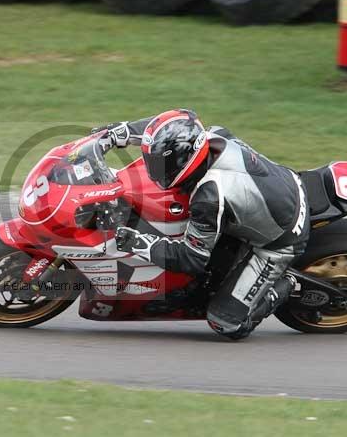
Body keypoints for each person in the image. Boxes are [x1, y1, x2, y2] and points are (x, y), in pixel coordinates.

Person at [94, 108, 309, 340]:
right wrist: (121, 132)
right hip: (285, 184)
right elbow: (174, 124)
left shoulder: (208, 197)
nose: (152, 170)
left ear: (184, 159)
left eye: (159, 164)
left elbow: (191, 258)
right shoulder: (212, 135)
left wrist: (139, 243)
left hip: (281, 239)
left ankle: (288, 283)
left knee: (225, 323)